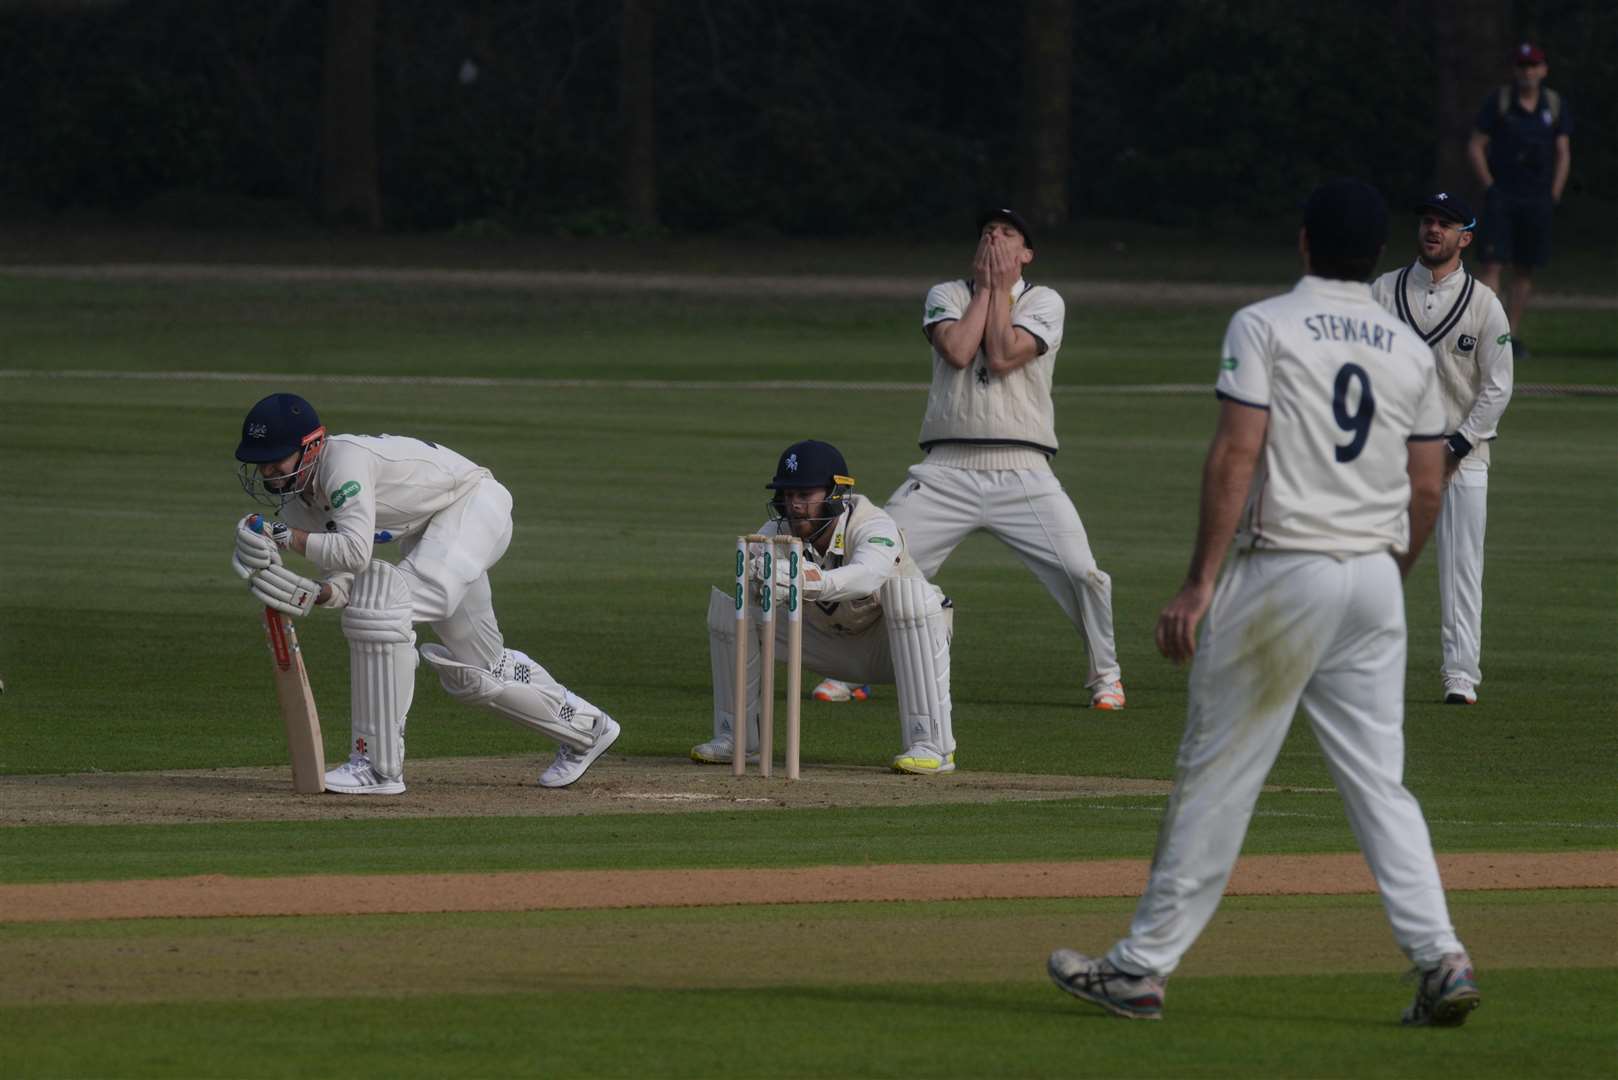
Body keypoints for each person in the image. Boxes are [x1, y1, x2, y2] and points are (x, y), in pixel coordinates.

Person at [1047, 179, 1480, 1027]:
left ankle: (1139, 968)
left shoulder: (1266, 323)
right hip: (1369, 578)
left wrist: (1200, 581)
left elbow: (1235, 454)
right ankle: (1441, 957)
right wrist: (1387, 581)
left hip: (1283, 571)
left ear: (1304, 242)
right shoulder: (1405, 345)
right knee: (1380, 786)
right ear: (1378, 255)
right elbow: (1428, 486)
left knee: (1215, 776)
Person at [231, 393, 620, 795]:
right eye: (261, 461)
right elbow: (346, 575)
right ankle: (587, 728)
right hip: (432, 533)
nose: (268, 470)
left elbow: (355, 550)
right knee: (481, 671)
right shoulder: (298, 504)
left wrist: (281, 537)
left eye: (277, 458)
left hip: (473, 506)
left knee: (381, 610)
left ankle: (377, 767)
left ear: (311, 446)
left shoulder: (343, 463)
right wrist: (318, 593)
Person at [821, 209, 1123, 711]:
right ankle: (849, 670)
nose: (995, 239)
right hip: (945, 470)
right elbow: (960, 351)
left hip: (1024, 469)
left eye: (1008, 234)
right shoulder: (947, 295)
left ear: (1027, 253)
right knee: (875, 558)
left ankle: (1106, 677)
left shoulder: (1045, 300)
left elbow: (1003, 355)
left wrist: (1002, 288)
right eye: (987, 232)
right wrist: (986, 289)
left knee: (1083, 572)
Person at [692, 439, 957, 774]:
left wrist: (812, 580)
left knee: (912, 599)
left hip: (895, 647)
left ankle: (931, 744)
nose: (794, 506)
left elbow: (868, 575)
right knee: (734, 611)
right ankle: (736, 738)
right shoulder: (775, 533)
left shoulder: (873, 524)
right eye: (788, 496)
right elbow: (757, 574)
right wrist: (763, 578)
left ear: (835, 495)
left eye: (805, 495)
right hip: (827, 645)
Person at [1372, 192, 1515, 705]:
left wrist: (1457, 443)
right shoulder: (1383, 292)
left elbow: (1497, 387)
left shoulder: (1483, 304)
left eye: (1446, 224)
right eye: (1428, 221)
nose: (1433, 230)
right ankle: (1356, 664)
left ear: (1466, 238)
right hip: (1391, 455)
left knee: (1460, 569)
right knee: (1370, 562)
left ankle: (1460, 675)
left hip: (1463, 457)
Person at [1467, 41, 1573, 357]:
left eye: (1533, 66)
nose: (1528, 72)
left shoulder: (1553, 105)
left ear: (1543, 70)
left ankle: (1509, 338)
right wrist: (1489, 186)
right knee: (1492, 265)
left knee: (1525, 269)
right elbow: (1475, 145)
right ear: (1515, 70)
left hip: (1537, 199)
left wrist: (1554, 192)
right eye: (1522, 66)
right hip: (1503, 196)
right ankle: (1481, 333)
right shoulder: (1499, 102)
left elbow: (1563, 151)